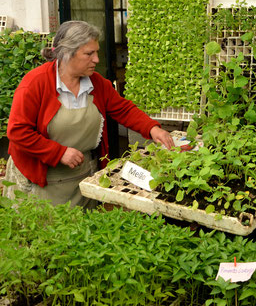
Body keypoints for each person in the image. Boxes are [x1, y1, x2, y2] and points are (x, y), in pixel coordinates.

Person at [4, 20, 174, 207]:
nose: (96, 59)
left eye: (96, 52)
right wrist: (58, 153)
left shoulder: (97, 83)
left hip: (80, 176)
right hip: (40, 179)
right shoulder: (35, 83)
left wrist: (152, 129)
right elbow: (18, 131)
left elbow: (123, 109)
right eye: (89, 53)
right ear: (68, 53)